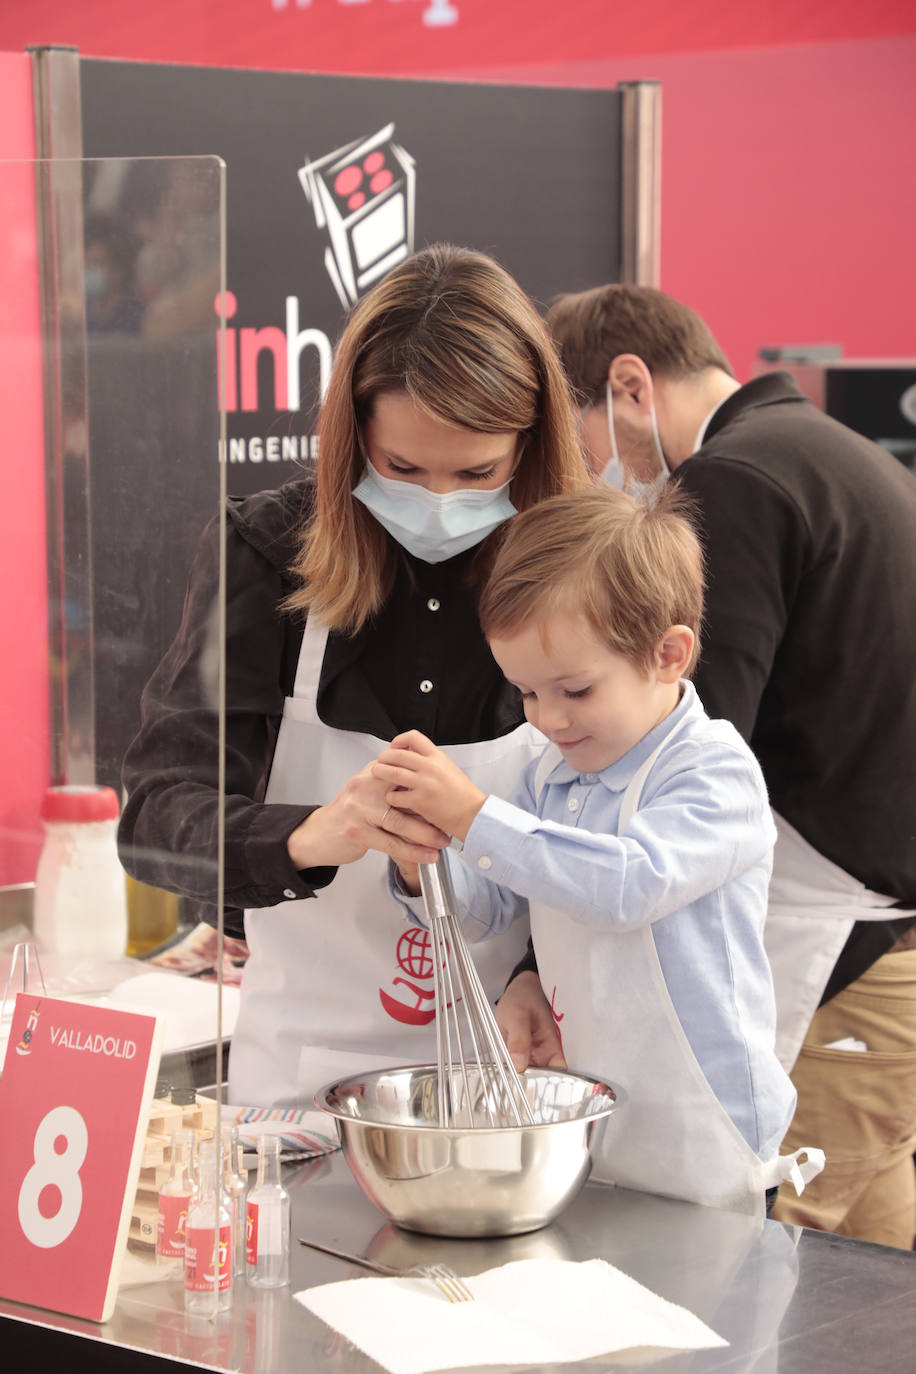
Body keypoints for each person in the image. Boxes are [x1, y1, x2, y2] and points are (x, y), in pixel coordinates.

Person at [118, 243, 590, 1107]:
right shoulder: (268, 554)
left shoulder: (585, 565)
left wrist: (532, 968)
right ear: (351, 439)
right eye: (401, 469)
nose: (440, 502)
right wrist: (307, 838)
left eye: (478, 474)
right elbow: (154, 816)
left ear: (530, 447)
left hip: (523, 1065)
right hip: (301, 1079)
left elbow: (636, 828)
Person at [500, 282, 916, 1247]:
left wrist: (526, 925)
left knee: (747, 1272)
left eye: (586, 446)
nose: (595, 477)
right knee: (878, 1265)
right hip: (888, 965)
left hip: (840, 962)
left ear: (631, 386)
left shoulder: (734, 485)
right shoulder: (839, 458)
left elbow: (668, 752)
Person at [374, 486, 821, 1215]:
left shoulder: (714, 771)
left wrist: (471, 814)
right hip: (589, 1117)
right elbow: (484, 911)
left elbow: (626, 887)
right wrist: (418, 856)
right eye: (525, 693)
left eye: (575, 690)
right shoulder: (550, 774)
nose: (547, 719)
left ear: (669, 655)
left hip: (700, 1137)